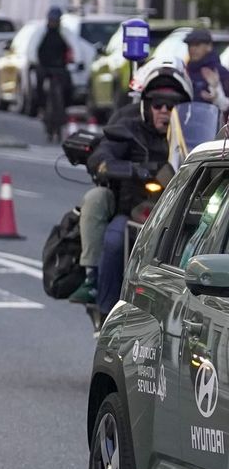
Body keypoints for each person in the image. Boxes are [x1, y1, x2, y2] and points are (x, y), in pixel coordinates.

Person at [68, 63, 190, 308]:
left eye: (172, 105)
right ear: (146, 106)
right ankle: (104, 306)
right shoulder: (128, 128)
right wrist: (136, 170)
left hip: (185, 216)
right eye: (158, 104)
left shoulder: (195, 134)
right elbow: (100, 159)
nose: (165, 111)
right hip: (135, 209)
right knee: (115, 241)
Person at [36, 8, 71, 139]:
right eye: (52, 20)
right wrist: (36, 62)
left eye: (56, 21)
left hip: (60, 68)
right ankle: (41, 107)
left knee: (68, 87)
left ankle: (65, 109)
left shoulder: (64, 33)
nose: (53, 23)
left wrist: (75, 61)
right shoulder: (42, 32)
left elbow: (73, 47)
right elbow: (34, 49)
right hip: (45, 67)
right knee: (39, 86)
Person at [183, 28, 229, 112]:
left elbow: (226, 108)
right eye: (190, 45)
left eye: (197, 45)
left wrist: (216, 96)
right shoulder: (184, 71)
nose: (192, 49)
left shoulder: (221, 73)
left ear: (209, 46)